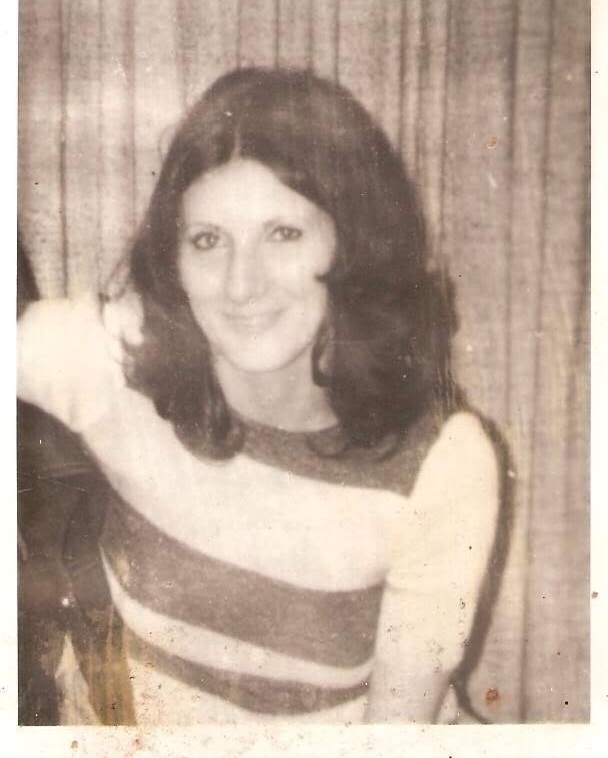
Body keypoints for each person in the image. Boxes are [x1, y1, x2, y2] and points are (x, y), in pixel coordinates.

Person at [17, 67, 503, 725]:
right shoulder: (117, 358)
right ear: (175, 258)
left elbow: (395, 733)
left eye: (283, 234)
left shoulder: (442, 462)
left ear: (352, 243)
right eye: (208, 240)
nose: (241, 285)